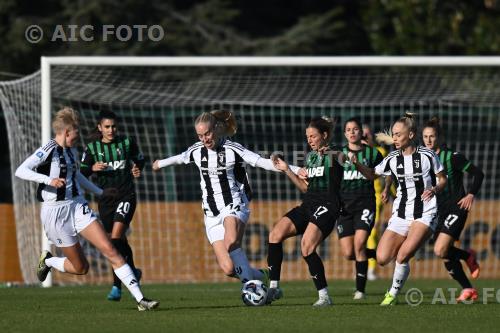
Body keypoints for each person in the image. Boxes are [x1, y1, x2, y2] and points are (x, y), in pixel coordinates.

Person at [15, 107, 158, 311]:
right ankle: (49, 261)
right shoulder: (49, 149)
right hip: (55, 213)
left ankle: (140, 300)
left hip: (77, 206)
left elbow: (77, 177)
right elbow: (21, 170)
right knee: (81, 268)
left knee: (110, 248)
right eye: (76, 132)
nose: (78, 136)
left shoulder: (72, 152)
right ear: (67, 132)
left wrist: (99, 192)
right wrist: (49, 180)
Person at [152, 110, 299, 288]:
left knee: (231, 241)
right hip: (211, 213)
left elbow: (263, 162)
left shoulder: (233, 149)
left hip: (234, 204)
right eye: (200, 135)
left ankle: (251, 289)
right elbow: (180, 158)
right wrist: (160, 163)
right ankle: (261, 276)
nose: (204, 139)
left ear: (216, 128)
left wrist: (297, 170)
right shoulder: (197, 151)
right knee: (228, 268)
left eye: (207, 133)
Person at [349, 112, 447, 306]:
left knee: (402, 256)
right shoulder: (392, 158)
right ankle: (405, 260)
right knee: (382, 257)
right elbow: (372, 175)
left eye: (398, 134)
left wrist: (434, 189)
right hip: (401, 214)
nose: (394, 138)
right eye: (393, 134)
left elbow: (443, 179)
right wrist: (356, 164)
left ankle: (392, 294)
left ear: (411, 135)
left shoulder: (427, 156)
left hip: (425, 213)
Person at [267, 116, 344, 306]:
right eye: (307, 136)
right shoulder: (310, 157)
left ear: (324, 135)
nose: (309, 140)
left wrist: (332, 152)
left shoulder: (336, 155)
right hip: (308, 204)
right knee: (275, 234)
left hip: (328, 206)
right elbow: (304, 188)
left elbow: (342, 159)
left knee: (307, 246)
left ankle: (324, 297)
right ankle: (274, 287)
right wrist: (287, 170)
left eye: (313, 136)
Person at [80, 110, 144, 301]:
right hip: (105, 201)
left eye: (113, 126)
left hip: (126, 195)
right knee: (118, 242)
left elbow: (140, 159)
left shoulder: (127, 142)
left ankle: (117, 286)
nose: (111, 130)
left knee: (115, 239)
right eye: (107, 126)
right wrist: (92, 168)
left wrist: (136, 169)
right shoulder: (92, 148)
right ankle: (132, 271)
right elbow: (81, 173)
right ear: (100, 127)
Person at [422, 116, 484, 303]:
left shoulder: (452, 157)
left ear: (440, 137)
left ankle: (467, 256)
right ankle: (468, 289)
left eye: (432, 136)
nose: (428, 140)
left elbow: (478, 173)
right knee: (445, 254)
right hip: (437, 211)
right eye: (425, 137)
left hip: (456, 208)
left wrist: (471, 194)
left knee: (441, 250)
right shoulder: (423, 159)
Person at [338, 118, 382, 300]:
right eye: (348, 130)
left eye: (355, 129)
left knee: (359, 245)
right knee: (349, 253)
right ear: (345, 134)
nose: (352, 132)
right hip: (344, 207)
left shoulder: (373, 153)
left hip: (365, 204)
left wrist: (387, 189)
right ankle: (382, 254)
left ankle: (360, 291)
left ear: (360, 133)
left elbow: (381, 174)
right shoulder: (338, 155)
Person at [361, 124, 390, 281]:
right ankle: (363, 265)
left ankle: (371, 269)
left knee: (371, 233)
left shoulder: (380, 153)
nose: (365, 138)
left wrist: (392, 192)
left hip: (376, 198)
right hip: (357, 198)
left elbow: (389, 175)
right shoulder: (353, 154)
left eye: (367, 135)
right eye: (363, 135)